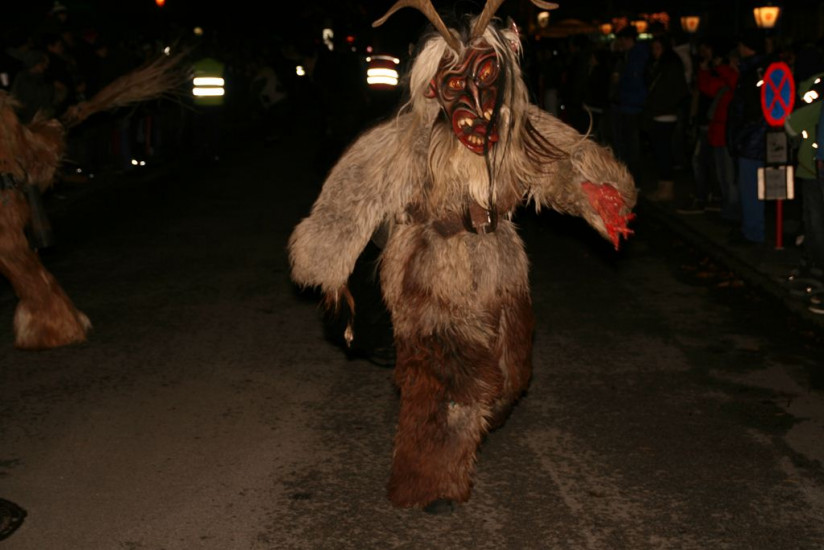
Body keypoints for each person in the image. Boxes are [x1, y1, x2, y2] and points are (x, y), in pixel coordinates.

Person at [726, 30, 771, 245]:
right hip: (755, 136)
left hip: (753, 138)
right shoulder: (756, 69)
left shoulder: (754, 72)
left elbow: (750, 109)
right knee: (752, 187)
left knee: (751, 187)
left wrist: (741, 133)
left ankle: (753, 232)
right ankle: (751, 228)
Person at [785, 72, 824, 297]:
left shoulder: (816, 105)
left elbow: (791, 124)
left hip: (813, 168)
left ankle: (817, 267)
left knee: (815, 221)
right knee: (811, 220)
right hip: (811, 167)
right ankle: (811, 264)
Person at [642, 33, 689, 202]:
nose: (655, 52)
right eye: (653, 48)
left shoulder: (671, 66)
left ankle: (667, 188)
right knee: (660, 151)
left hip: (665, 114)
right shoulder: (657, 65)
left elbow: (677, 91)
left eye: (658, 48)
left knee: (664, 151)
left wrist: (662, 105)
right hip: (657, 113)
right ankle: (663, 185)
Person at [609, 25, 649, 184]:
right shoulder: (629, 55)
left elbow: (634, 81)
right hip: (627, 104)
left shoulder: (637, 56)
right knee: (626, 144)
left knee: (631, 146)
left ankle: (634, 180)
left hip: (632, 105)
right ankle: (629, 178)